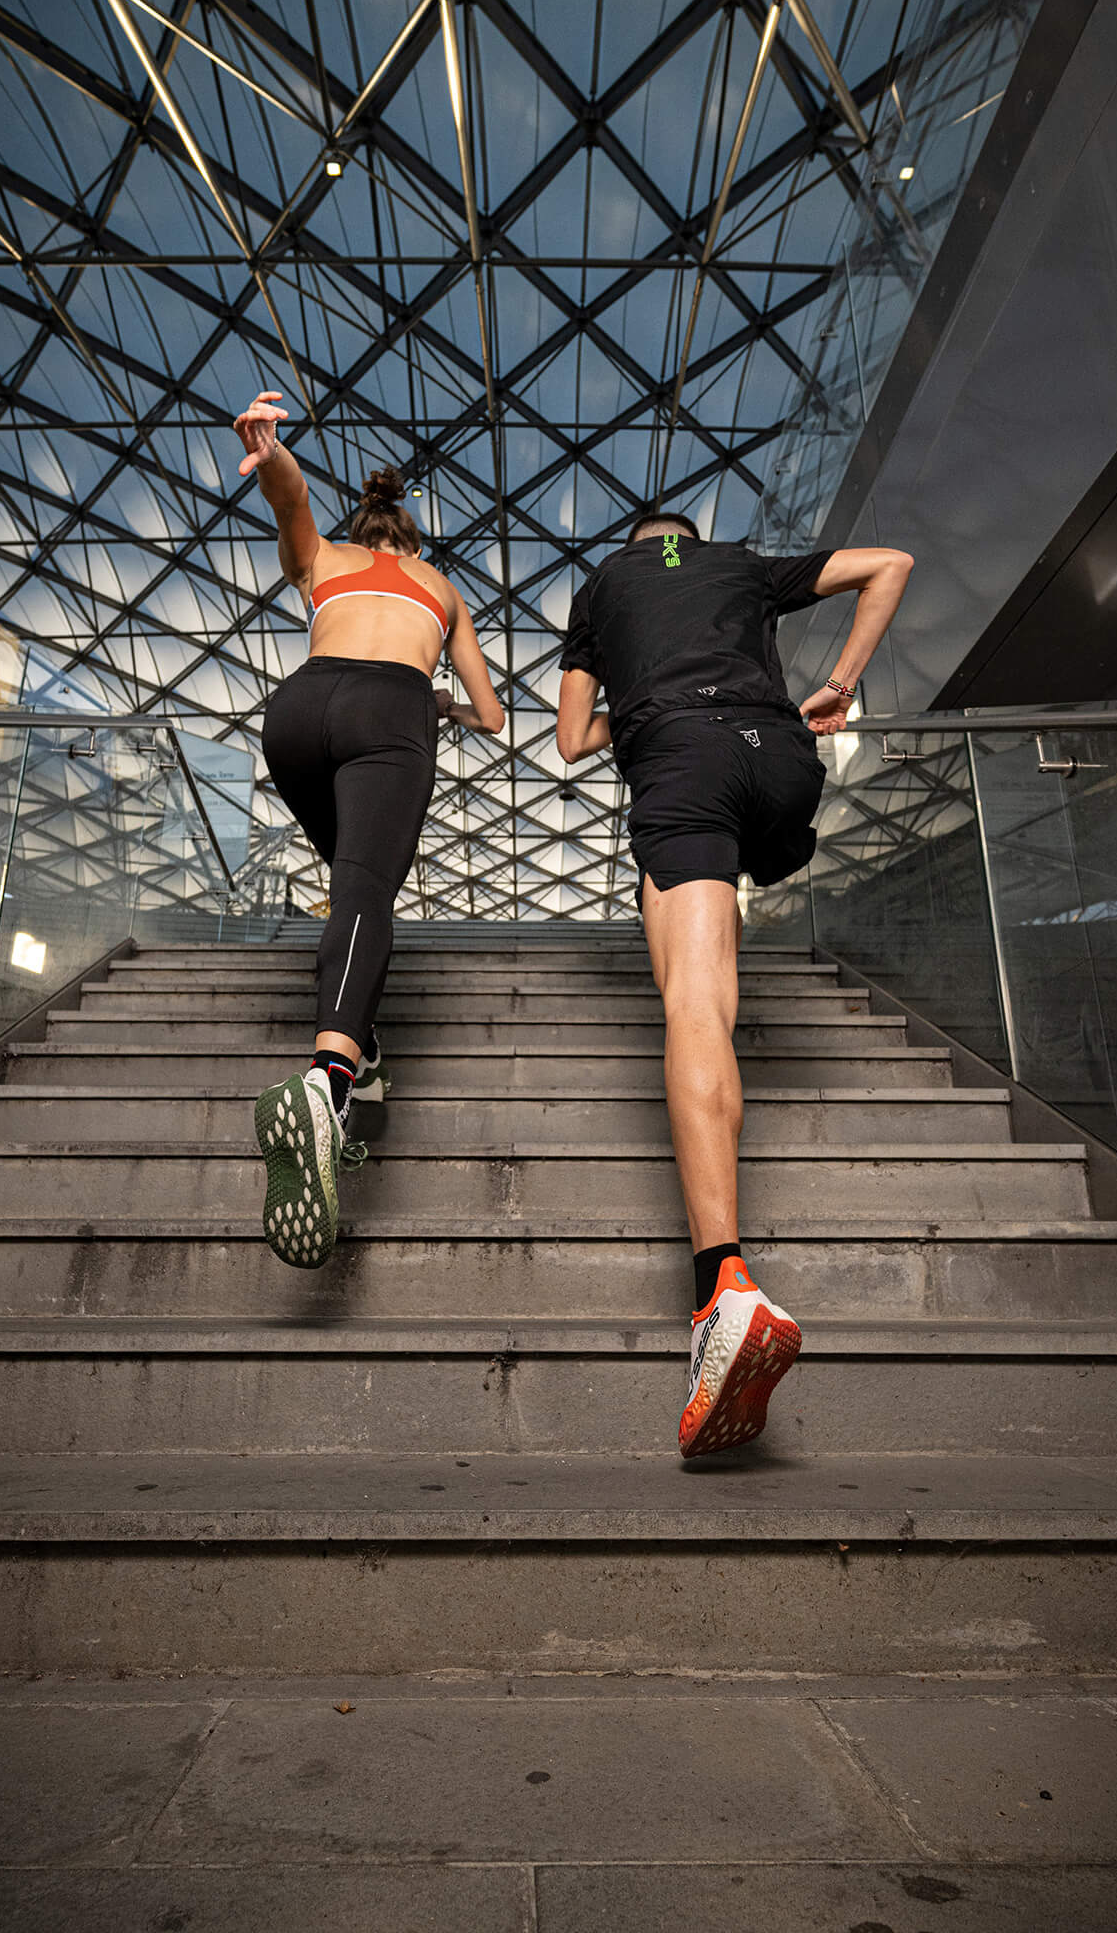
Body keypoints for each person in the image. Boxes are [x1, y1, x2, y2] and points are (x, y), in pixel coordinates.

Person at [555, 511, 911, 1457]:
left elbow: (569, 742)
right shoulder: (742, 565)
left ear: (632, 547)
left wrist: (633, 696)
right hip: (781, 766)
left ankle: (724, 1285)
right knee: (706, 924)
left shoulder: (601, 592)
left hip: (684, 759)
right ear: (685, 540)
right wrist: (836, 686)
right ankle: (712, 903)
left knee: (694, 1001)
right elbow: (890, 564)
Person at [234, 391, 504, 1269]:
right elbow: (494, 716)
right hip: (391, 709)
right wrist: (436, 702)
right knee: (365, 891)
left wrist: (271, 451)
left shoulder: (326, 559)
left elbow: (291, 502)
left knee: (352, 879)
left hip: (300, 712)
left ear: (366, 529)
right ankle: (331, 1080)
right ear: (415, 544)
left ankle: (365, 1035)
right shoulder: (444, 589)